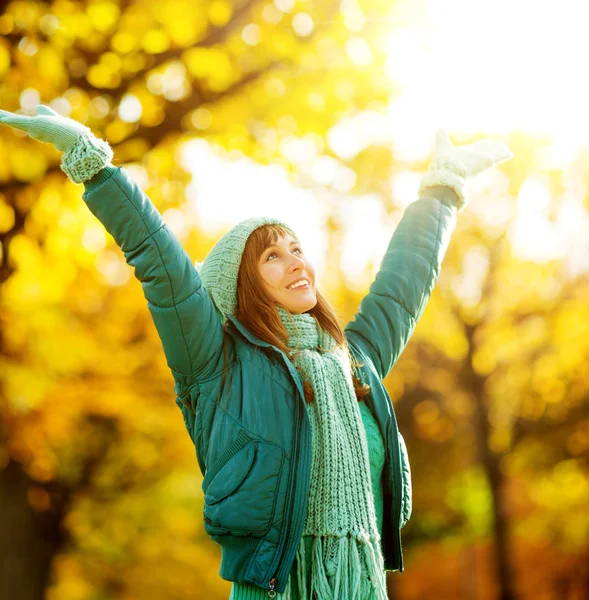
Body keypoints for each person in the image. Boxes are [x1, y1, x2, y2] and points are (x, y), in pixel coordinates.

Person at [0, 105, 512, 599]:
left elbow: (405, 282)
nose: (296, 263)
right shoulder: (218, 365)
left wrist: (443, 186)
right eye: (272, 255)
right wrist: (93, 163)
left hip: (362, 586)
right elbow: (162, 267)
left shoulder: (352, 360)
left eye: (297, 250)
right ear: (240, 285)